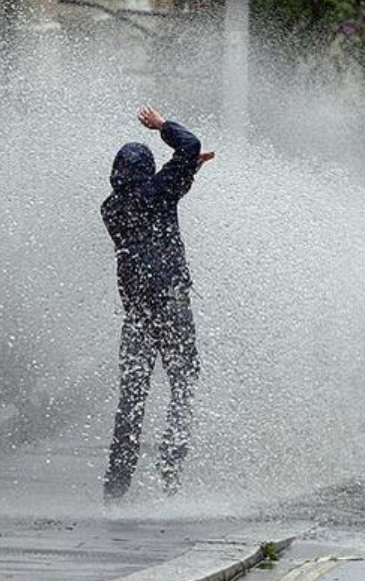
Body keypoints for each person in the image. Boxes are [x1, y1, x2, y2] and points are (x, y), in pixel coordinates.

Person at [101, 107, 214, 501]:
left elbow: (163, 195)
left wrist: (186, 173)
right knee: (182, 387)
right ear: (148, 170)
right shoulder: (157, 192)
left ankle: (116, 489)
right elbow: (190, 146)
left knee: (131, 400)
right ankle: (170, 472)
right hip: (171, 304)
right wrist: (163, 126)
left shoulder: (110, 209)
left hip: (137, 315)